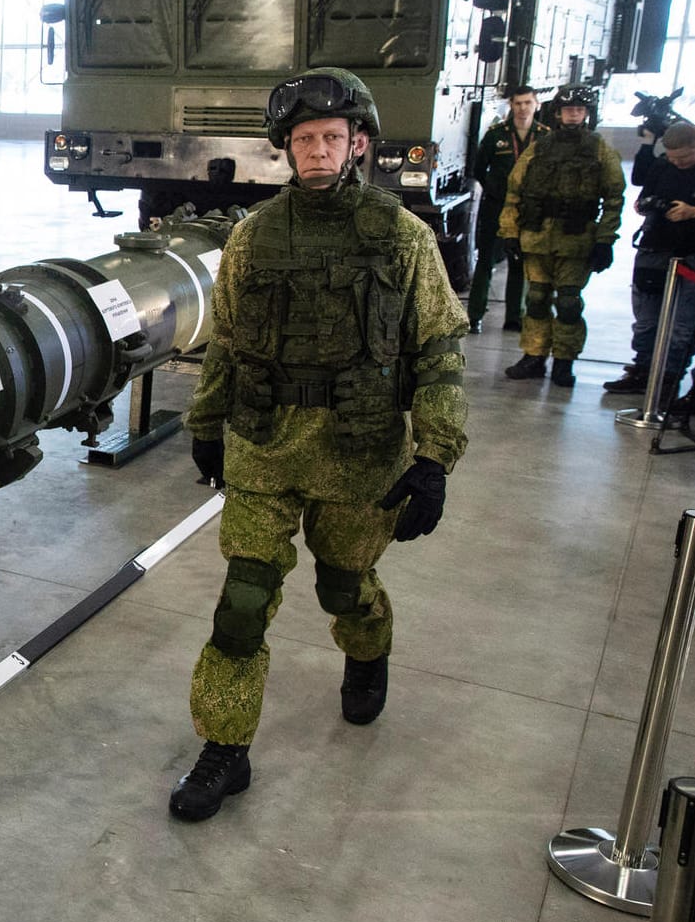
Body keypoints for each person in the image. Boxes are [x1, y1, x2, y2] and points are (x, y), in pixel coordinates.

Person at [172, 67, 469, 823]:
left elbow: (436, 350)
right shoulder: (253, 234)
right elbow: (229, 344)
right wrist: (206, 425)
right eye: (302, 139)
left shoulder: (401, 236)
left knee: (343, 586)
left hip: (358, 450)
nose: (315, 150)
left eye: (329, 137)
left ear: (358, 143)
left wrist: (432, 457)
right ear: (286, 148)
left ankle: (367, 653)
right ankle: (224, 750)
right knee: (241, 602)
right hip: (265, 445)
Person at [499, 84, 627, 388]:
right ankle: (534, 355)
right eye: (569, 110)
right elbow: (514, 191)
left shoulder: (599, 150)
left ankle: (564, 361)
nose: (573, 115)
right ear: (557, 113)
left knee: (569, 302)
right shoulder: (539, 148)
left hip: (575, 239)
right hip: (537, 236)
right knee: (537, 299)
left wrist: (605, 240)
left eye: (579, 110)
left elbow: (614, 197)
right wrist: (509, 232)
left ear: (587, 114)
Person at [606, 123, 695, 398]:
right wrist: (649, 205)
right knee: (646, 319)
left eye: (684, 157)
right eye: (672, 157)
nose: (677, 162)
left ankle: (669, 378)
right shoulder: (661, 166)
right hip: (655, 248)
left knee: (683, 324)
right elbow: (643, 197)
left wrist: (692, 211)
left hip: (691, 252)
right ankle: (643, 370)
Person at [467, 86, 545, 334]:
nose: (523, 108)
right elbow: (479, 168)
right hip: (497, 206)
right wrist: (494, 189)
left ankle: (514, 316)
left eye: (527, 103)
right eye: (518, 103)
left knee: (520, 261)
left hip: (529, 209)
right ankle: (475, 315)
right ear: (511, 105)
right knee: (486, 259)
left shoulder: (544, 137)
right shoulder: (495, 135)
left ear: (537, 105)